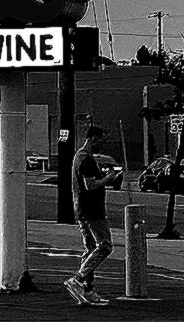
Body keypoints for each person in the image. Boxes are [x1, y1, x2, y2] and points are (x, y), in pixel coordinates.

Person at [65, 126, 114, 306]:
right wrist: (109, 179)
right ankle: (78, 279)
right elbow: (90, 185)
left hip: (81, 210)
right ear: (93, 138)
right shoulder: (85, 160)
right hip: (92, 210)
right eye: (101, 140)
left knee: (91, 247)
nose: (102, 144)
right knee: (105, 245)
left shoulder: (79, 157)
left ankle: (88, 290)